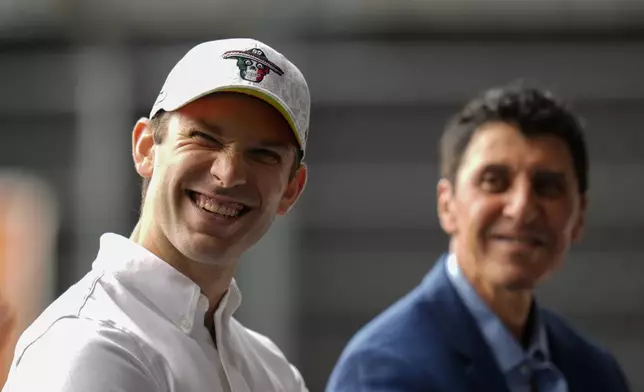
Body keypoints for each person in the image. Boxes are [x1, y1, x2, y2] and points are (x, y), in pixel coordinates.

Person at [2, 38, 311, 392]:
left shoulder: (273, 371)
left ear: (291, 189)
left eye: (263, 154)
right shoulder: (87, 349)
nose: (228, 174)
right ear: (146, 148)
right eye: (205, 138)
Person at [325, 83, 630, 392]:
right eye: (494, 181)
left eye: (547, 185)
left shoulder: (596, 372)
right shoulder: (382, 371)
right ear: (447, 205)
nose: (522, 208)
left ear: (579, 216)